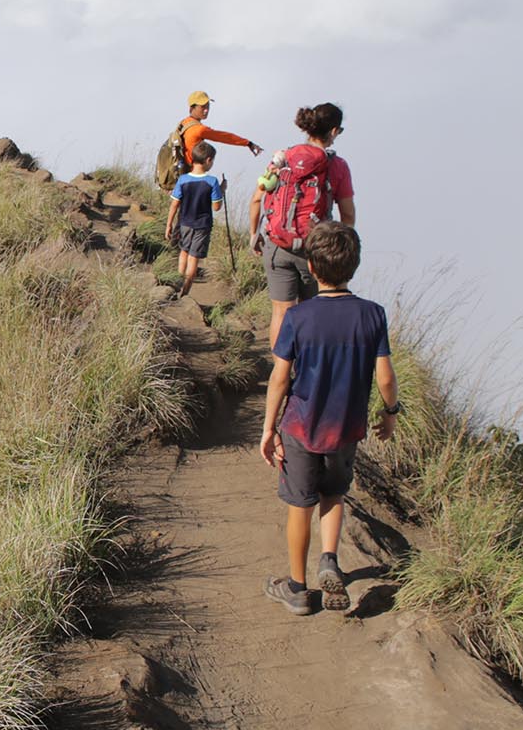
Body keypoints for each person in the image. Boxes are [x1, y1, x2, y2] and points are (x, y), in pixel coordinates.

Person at [258, 221, 399, 615]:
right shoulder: (373, 315)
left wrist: (269, 429)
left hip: (301, 427)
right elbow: (385, 376)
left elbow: (280, 378)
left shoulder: (298, 318)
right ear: (353, 267)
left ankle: (298, 589)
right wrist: (390, 413)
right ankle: (329, 560)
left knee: (299, 504)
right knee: (334, 494)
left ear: (312, 268)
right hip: (347, 428)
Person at [252, 103, 356, 348]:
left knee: (281, 312)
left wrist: (253, 233)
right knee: (310, 313)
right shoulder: (337, 166)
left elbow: (258, 197)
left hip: (277, 244)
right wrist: (339, 250)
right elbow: (348, 215)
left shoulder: (283, 158)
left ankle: (280, 374)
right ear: (333, 131)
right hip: (315, 249)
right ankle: (304, 374)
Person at [164, 142, 226, 297]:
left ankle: (178, 283)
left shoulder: (183, 179)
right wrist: (222, 190)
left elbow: (174, 204)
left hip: (184, 222)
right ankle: (185, 291)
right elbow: (216, 207)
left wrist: (169, 224)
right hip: (202, 225)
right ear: (208, 160)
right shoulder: (212, 182)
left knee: (183, 252)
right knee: (194, 258)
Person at [180, 91, 264, 168]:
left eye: (208, 106)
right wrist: (248, 143)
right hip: (191, 172)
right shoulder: (199, 129)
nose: (206, 110)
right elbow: (224, 137)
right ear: (191, 109)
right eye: (202, 107)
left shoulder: (184, 123)